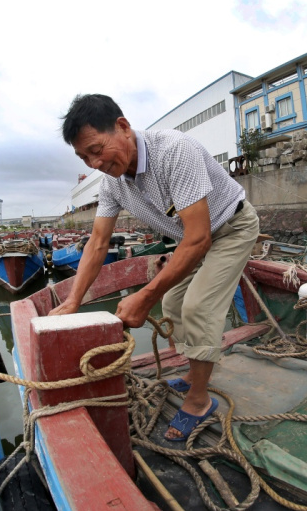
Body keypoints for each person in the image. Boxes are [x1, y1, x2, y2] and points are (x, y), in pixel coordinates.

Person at [51, 94, 259, 441]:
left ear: (122, 127)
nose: (94, 163)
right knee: (174, 304)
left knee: (197, 307)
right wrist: (74, 301)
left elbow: (199, 238)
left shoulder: (174, 151)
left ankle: (198, 400)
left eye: (97, 149)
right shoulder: (113, 184)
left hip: (231, 228)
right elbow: (98, 243)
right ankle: (195, 373)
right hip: (193, 236)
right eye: (84, 157)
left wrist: (144, 297)